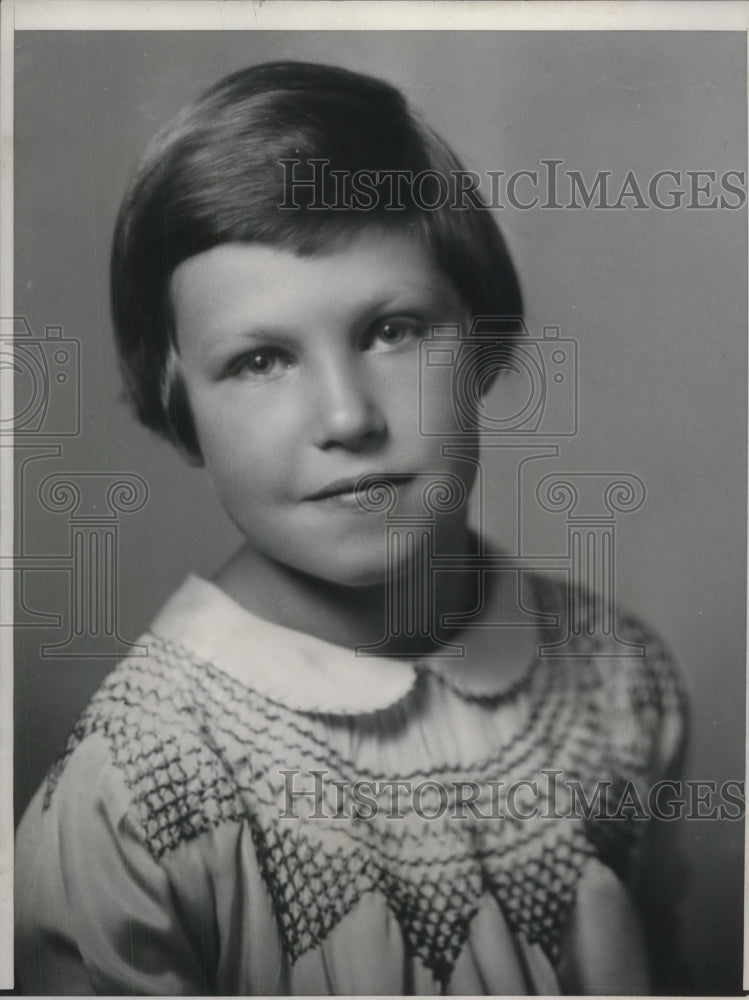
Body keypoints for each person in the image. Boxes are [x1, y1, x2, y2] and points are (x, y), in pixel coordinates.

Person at [15, 60, 686, 995]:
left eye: (391, 331)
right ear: (180, 405)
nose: (346, 417)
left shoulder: (620, 683)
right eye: (259, 360)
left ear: (480, 340)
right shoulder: (135, 791)